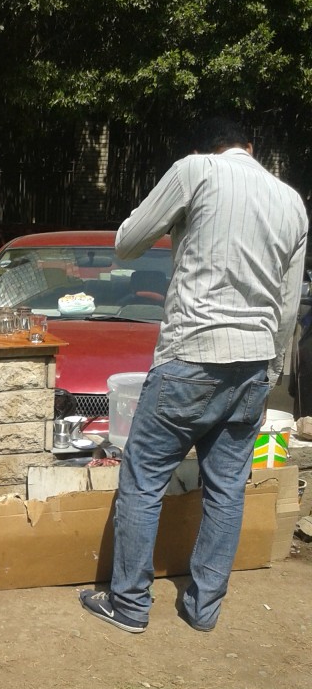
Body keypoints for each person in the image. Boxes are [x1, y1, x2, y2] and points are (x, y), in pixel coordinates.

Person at [80, 116, 308, 634]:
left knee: (142, 481)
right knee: (227, 488)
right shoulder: (292, 201)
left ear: (209, 148)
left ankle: (131, 605)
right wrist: (270, 368)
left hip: (192, 356)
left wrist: (178, 220)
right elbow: (289, 306)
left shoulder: (195, 171)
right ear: (250, 148)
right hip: (253, 363)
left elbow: (126, 243)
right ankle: (203, 609)